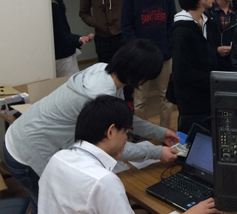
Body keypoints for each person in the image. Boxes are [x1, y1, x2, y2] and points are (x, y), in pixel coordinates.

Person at [3, 40, 180, 213]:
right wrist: (157, 152)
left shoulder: (102, 70)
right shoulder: (99, 95)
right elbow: (110, 146)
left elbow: (121, 118)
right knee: (46, 205)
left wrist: (160, 132)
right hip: (26, 153)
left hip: (20, 134)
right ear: (140, 75)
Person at [38, 95, 220, 214]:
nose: (126, 139)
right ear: (110, 131)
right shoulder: (103, 181)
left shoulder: (58, 158)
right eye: (124, 132)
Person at [121, 0, 176, 128]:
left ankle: (165, 132)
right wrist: (138, 51)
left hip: (164, 55)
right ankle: (142, 134)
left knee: (166, 97)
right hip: (141, 58)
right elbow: (126, 28)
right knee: (139, 99)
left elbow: (171, 24)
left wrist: (169, 46)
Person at [171, 0, 218, 134]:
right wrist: (213, 79)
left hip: (208, 97)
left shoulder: (207, 21)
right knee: (191, 143)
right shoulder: (182, 30)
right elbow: (182, 72)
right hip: (191, 102)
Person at [50, 0, 94, 78]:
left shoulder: (52, 0)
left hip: (53, 54)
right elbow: (60, 33)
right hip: (63, 55)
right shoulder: (53, 4)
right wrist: (79, 39)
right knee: (71, 85)